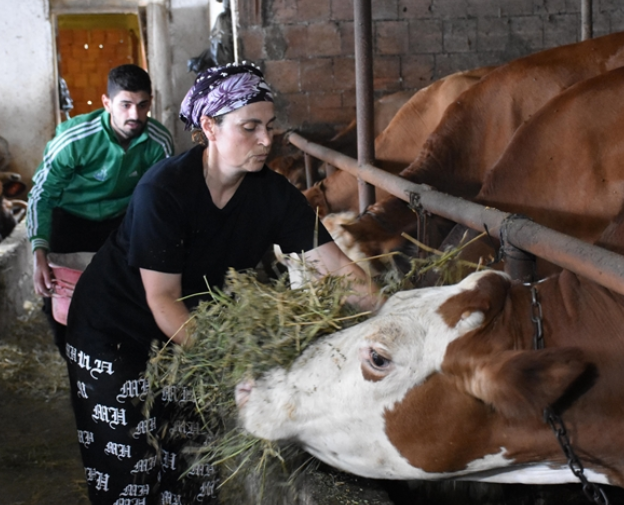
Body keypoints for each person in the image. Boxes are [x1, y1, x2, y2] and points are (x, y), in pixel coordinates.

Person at [64, 62, 378, 505]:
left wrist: (394, 316)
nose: (266, 140)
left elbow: (339, 270)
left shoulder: (273, 196)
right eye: (249, 127)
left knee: (193, 469)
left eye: (269, 126)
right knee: (131, 473)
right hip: (117, 333)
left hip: (197, 333)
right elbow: (163, 299)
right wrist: (231, 369)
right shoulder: (165, 191)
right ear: (209, 126)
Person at [27, 64, 175, 357]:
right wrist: (38, 251)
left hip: (121, 223)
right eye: (125, 105)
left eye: (143, 105)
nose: (135, 115)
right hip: (69, 220)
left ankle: (115, 358)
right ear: (107, 103)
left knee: (123, 294)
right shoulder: (74, 140)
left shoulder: (159, 143)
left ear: (150, 103)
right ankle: (71, 357)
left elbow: (163, 200)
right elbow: (42, 195)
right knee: (62, 300)